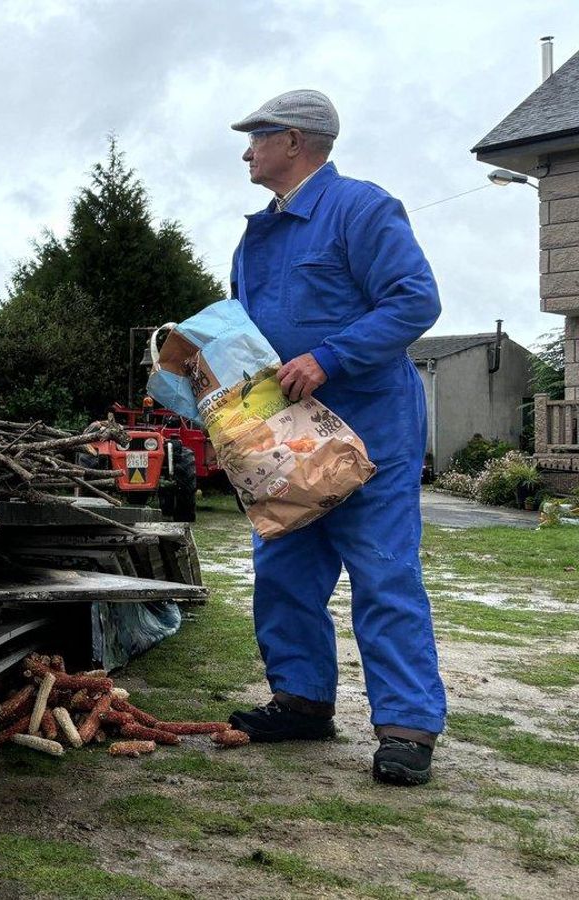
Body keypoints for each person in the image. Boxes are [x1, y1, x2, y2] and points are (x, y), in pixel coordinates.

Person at [225, 90, 445, 786]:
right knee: (284, 570)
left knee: (384, 572)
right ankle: (301, 701)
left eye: (257, 138)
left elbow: (415, 298)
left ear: (294, 140)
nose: (246, 151)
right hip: (287, 437)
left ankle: (407, 727)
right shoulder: (260, 232)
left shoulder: (361, 208)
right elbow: (250, 333)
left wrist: (330, 356)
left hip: (369, 431)